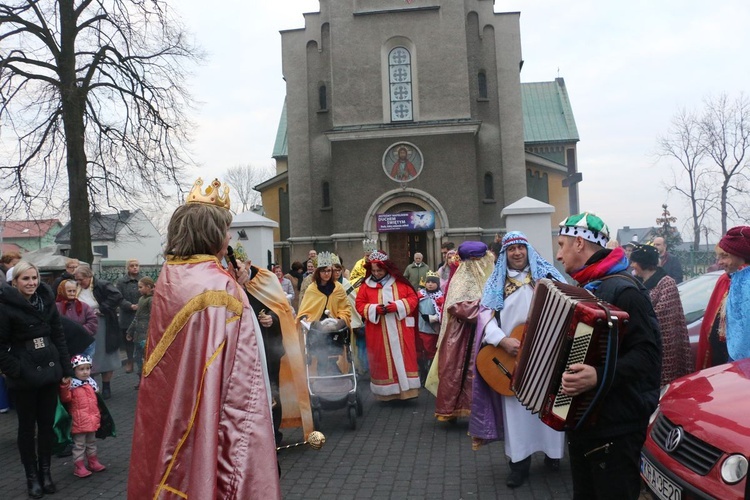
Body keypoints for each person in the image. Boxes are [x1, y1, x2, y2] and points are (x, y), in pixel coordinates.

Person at [128, 177, 280, 499]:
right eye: (225, 231)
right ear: (212, 234)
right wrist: (237, 289)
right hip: (207, 413)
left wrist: (234, 282)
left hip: (173, 405)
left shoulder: (172, 275)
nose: (228, 238)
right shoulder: (218, 288)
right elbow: (240, 378)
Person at [556, 212, 661, 500]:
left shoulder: (624, 290)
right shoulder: (586, 287)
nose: (559, 254)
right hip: (588, 422)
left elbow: (648, 357)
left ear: (579, 243)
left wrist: (598, 376)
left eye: (562, 244)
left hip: (616, 427)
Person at [469, 232, 566, 488]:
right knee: (518, 411)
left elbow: (568, 307)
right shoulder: (496, 283)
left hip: (546, 356)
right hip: (512, 358)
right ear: (505, 254)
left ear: (528, 250)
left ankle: (552, 455)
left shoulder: (547, 278)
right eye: (511, 249)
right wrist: (502, 340)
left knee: (548, 405)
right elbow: (484, 318)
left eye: (521, 247)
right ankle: (519, 464)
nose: (517, 253)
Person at [0, 261, 73, 498]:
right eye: (25, 279)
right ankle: (31, 477)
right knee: (26, 427)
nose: (31, 283)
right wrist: (16, 369)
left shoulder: (46, 300)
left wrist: (65, 368)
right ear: (14, 282)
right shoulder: (5, 305)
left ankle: (46, 472)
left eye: (34, 278)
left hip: (49, 369)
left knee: (46, 426)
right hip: (25, 374)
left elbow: (58, 334)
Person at [245, 261, 313, 445]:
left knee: (273, 390)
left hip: (269, 348)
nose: (237, 272)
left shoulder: (266, 280)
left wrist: (272, 319)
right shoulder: (232, 284)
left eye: (239, 268)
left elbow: (281, 309)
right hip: (246, 352)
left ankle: (274, 433)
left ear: (247, 264)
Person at [427, 242, 494, 421]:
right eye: (482, 260)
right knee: (456, 372)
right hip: (460, 334)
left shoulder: (486, 276)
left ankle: (477, 410)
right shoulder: (462, 278)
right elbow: (456, 307)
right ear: (474, 261)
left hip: (480, 331)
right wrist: (487, 308)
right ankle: (450, 410)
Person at [355, 250, 420, 401]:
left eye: (380, 270)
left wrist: (398, 306)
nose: (376, 273)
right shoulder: (365, 286)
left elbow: (413, 298)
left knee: (405, 358)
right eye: (374, 270)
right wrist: (374, 309)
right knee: (382, 360)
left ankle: (407, 392)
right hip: (378, 330)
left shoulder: (400, 283)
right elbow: (359, 304)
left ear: (387, 268)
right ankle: (386, 394)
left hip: (401, 328)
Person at [630, 244, 692, 384]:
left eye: (634, 261)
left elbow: (662, 316)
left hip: (665, 346)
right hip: (644, 344)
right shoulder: (637, 283)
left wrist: (637, 319)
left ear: (643, 263)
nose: (632, 265)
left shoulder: (666, 283)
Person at [696, 226, 750, 368]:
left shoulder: (746, 283)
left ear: (741, 254)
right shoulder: (736, 279)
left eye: (725, 256)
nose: (719, 262)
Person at [74, 264, 122, 400]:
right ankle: (89, 385)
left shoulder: (101, 284)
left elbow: (117, 295)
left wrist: (103, 308)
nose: (78, 282)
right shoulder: (76, 287)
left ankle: (106, 386)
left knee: (106, 355)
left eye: (81, 279)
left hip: (102, 325)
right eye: (76, 279)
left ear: (89, 277)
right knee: (89, 355)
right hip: (84, 325)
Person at [58, 354, 106, 478]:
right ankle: (79, 465)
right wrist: (64, 386)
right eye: (81, 369)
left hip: (91, 420)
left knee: (91, 442)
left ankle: (93, 461)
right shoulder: (72, 386)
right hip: (78, 422)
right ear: (74, 370)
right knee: (79, 445)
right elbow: (65, 398)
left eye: (87, 368)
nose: (85, 372)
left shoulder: (91, 384)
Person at [125, 277, 154, 389]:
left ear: (149, 287)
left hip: (145, 334)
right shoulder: (142, 299)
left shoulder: (151, 300)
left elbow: (153, 317)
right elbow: (136, 317)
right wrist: (130, 331)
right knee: (138, 357)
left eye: (141, 287)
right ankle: (141, 379)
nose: (139, 290)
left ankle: (147, 381)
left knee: (144, 358)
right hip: (138, 333)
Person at [56, 279, 98, 357]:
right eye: (69, 291)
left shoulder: (84, 306)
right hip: (65, 345)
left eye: (74, 291)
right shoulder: (56, 307)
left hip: (84, 344)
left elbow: (93, 321)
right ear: (62, 291)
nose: (72, 293)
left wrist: (80, 332)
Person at [416, 271, 443, 382]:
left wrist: (432, 318)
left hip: (431, 331)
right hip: (419, 329)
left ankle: (430, 376)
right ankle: (422, 372)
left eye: (433, 282)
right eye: (428, 282)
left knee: (430, 353)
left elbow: (443, 313)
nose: (430, 284)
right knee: (418, 352)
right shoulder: (419, 295)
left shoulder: (440, 297)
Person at [116, 259, 142, 374]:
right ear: (128, 267)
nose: (135, 267)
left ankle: (140, 366)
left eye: (137, 265)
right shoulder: (121, 282)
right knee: (128, 341)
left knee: (141, 342)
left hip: (141, 316)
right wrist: (129, 306)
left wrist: (140, 305)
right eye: (132, 266)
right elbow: (118, 298)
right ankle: (129, 360)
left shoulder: (143, 280)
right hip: (127, 315)